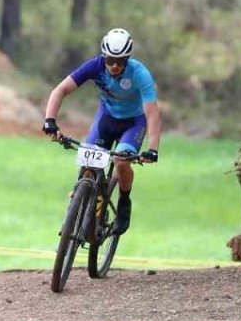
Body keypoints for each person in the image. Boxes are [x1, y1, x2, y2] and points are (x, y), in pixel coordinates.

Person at [43, 28, 160, 235]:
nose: (115, 65)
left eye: (121, 61)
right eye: (111, 60)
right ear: (104, 56)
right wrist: (50, 121)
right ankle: (81, 200)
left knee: (121, 161)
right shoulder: (95, 66)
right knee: (88, 161)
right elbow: (59, 90)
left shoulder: (139, 74)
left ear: (128, 58)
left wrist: (152, 149)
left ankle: (124, 203)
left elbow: (151, 113)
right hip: (106, 119)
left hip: (133, 123)